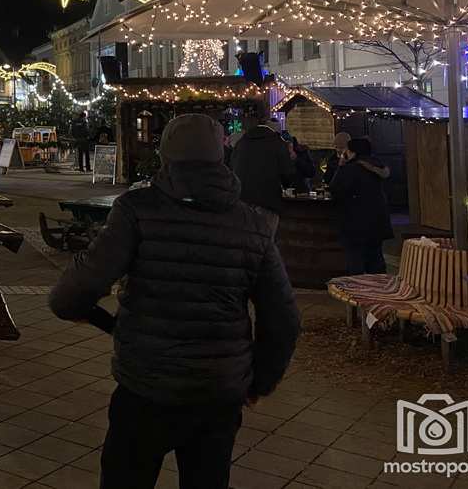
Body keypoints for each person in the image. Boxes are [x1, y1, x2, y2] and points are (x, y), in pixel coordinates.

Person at [49, 114, 301, 489]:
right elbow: (283, 318)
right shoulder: (252, 224)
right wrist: (258, 383)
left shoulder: (137, 210)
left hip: (145, 387)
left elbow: (70, 294)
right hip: (218, 392)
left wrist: (102, 320)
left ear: (165, 156)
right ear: (222, 157)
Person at [329, 137, 393, 274]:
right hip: (378, 221)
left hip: (355, 222)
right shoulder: (379, 167)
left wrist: (340, 167)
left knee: (355, 260)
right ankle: (379, 289)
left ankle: (358, 291)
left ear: (352, 152)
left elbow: (335, 190)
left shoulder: (351, 169)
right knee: (376, 259)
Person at [230, 111, 293, 223]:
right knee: (266, 237)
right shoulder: (278, 143)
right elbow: (287, 176)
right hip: (268, 202)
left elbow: (232, 168)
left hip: (241, 202)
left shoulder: (241, 143)